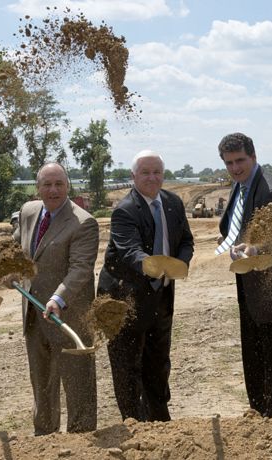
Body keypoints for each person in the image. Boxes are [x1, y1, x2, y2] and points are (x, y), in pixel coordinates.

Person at [97, 150, 194, 422]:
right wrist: (155, 264)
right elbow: (130, 252)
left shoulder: (173, 203)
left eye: (157, 172)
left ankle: (160, 417)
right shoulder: (125, 211)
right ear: (133, 176)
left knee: (158, 360)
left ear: (163, 174)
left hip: (161, 295)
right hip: (124, 297)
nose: (152, 178)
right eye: (145, 172)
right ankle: (134, 423)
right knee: (127, 365)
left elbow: (186, 241)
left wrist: (179, 265)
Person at [216, 132, 272, 417]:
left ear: (253, 156)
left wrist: (254, 248)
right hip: (248, 283)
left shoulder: (271, 190)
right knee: (252, 355)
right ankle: (257, 412)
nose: (235, 168)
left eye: (240, 160)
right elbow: (234, 223)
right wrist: (229, 241)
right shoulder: (239, 185)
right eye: (229, 163)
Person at [14, 162, 99, 434]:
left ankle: (81, 441)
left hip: (69, 316)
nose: (53, 190)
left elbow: (81, 269)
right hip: (34, 315)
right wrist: (8, 270)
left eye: (59, 184)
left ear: (68, 186)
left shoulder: (83, 222)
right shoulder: (28, 212)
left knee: (78, 385)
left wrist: (58, 299)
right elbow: (17, 248)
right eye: (47, 185)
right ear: (37, 188)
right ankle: (45, 440)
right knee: (41, 384)